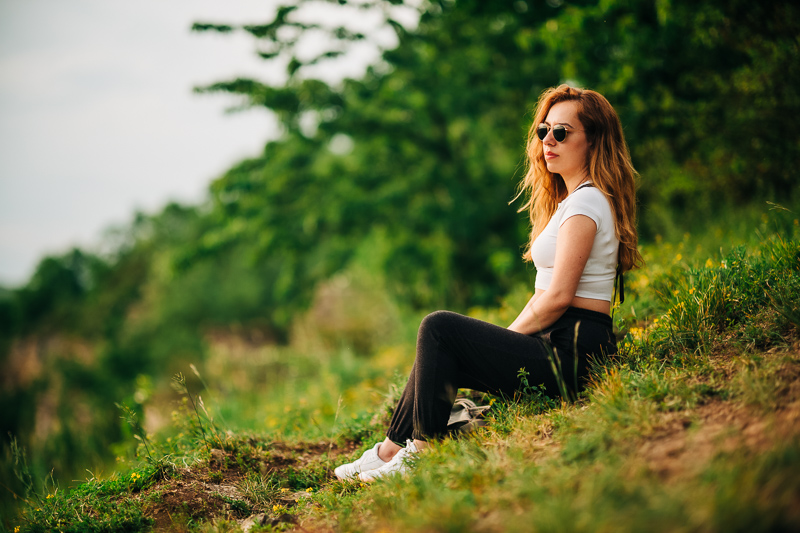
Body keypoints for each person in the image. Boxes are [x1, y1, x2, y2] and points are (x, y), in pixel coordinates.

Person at [334, 84, 643, 482]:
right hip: (555, 344)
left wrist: (500, 340)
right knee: (439, 339)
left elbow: (560, 297)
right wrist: (497, 344)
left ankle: (422, 453)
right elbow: (544, 298)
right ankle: (390, 450)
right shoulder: (572, 201)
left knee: (439, 327)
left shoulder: (587, 204)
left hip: (574, 356)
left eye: (562, 133)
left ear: (593, 140)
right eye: (543, 131)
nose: (549, 140)